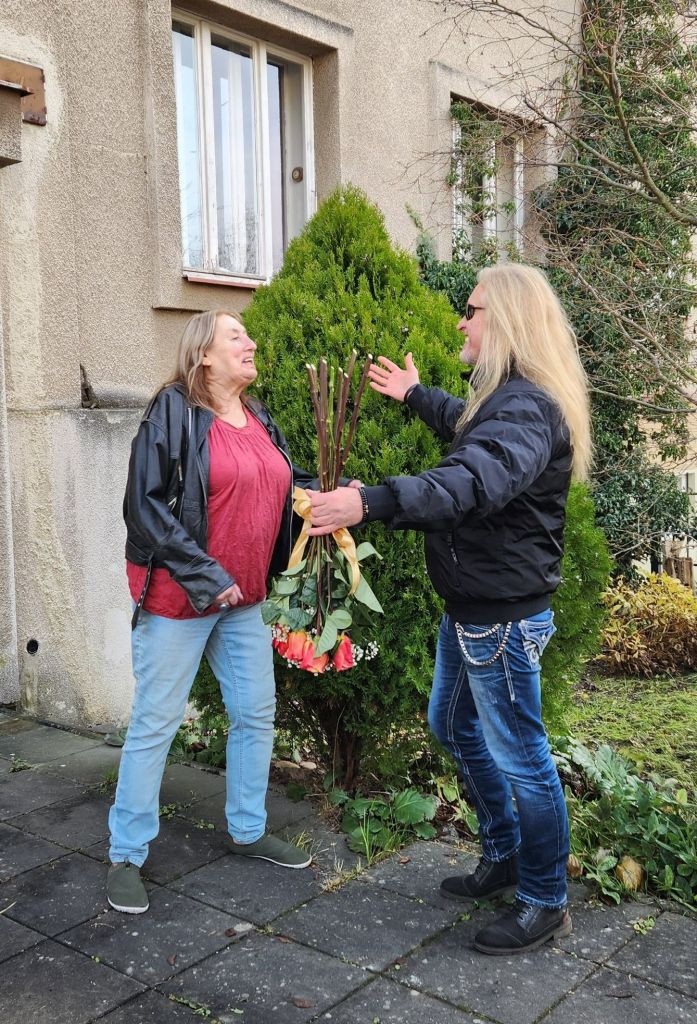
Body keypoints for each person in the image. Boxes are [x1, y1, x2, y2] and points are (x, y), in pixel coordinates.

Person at [307, 264, 591, 955]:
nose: (462, 321)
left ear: (508, 322)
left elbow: (472, 477)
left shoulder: (527, 408)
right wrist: (415, 395)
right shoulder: (507, 402)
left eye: (472, 310)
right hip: (472, 609)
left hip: (501, 619)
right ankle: (505, 854)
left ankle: (545, 899)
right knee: (452, 724)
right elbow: (472, 431)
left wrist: (369, 501)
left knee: (522, 758)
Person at [108, 310, 316, 914]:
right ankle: (126, 853)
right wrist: (206, 575)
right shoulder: (172, 410)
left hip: (244, 599)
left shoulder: (258, 416)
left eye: (248, 335)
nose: (251, 342)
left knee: (255, 714)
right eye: (236, 336)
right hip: (180, 600)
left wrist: (334, 493)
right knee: (156, 722)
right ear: (203, 354)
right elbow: (143, 506)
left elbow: (282, 483)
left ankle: (247, 830)